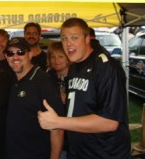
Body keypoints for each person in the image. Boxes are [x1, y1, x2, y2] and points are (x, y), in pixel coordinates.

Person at [38, 18, 130, 159]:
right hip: (79, 152)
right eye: (64, 38)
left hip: (105, 154)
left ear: (87, 39)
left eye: (74, 38)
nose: (68, 43)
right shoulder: (74, 67)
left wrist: (58, 121)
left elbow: (110, 122)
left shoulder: (106, 67)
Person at [5, 37, 64, 159]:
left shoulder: (43, 81)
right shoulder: (10, 79)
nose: (15, 57)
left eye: (20, 52)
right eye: (10, 53)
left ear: (30, 54)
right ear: (6, 57)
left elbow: (57, 128)